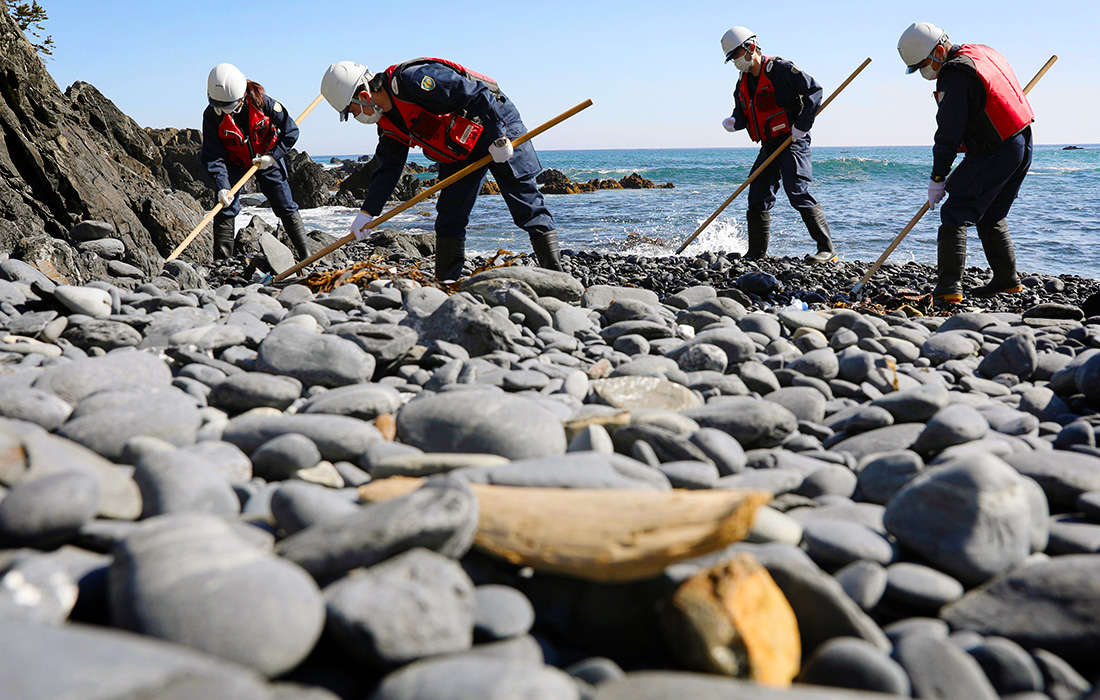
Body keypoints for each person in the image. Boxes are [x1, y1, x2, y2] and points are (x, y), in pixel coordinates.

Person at [319, 58, 562, 281]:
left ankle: (557, 278)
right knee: (450, 216)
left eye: (351, 110)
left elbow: (479, 95)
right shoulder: (389, 124)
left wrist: (499, 139)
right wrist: (367, 213)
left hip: (495, 122)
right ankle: (447, 283)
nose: (354, 115)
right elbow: (388, 169)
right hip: (461, 144)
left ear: (364, 95)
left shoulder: (414, 80)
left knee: (526, 205)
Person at [898, 22, 1033, 304]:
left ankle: (949, 287)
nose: (925, 72)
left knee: (955, 211)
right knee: (991, 212)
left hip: (996, 148)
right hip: (1022, 141)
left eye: (923, 65)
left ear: (938, 51)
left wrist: (937, 178)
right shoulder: (980, 53)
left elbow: (949, 132)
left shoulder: (955, 73)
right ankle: (1007, 280)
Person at [720, 26, 837, 264]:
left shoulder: (780, 70)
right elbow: (743, 110)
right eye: (731, 58)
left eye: (736, 56)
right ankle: (756, 253)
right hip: (769, 144)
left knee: (797, 191)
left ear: (750, 48)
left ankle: (827, 249)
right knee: (757, 191)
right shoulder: (742, 80)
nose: (735, 62)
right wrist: (735, 121)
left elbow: (814, 91)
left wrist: (802, 126)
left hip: (792, 141)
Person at [200, 63, 310, 261]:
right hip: (234, 162)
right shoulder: (211, 116)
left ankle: (306, 255)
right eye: (220, 107)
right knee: (226, 206)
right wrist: (222, 186)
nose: (226, 113)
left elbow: (291, 131)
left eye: (229, 107)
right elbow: (213, 155)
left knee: (285, 204)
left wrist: (273, 156)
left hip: (266, 158)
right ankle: (222, 262)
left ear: (241, 97)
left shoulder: (263, 102)